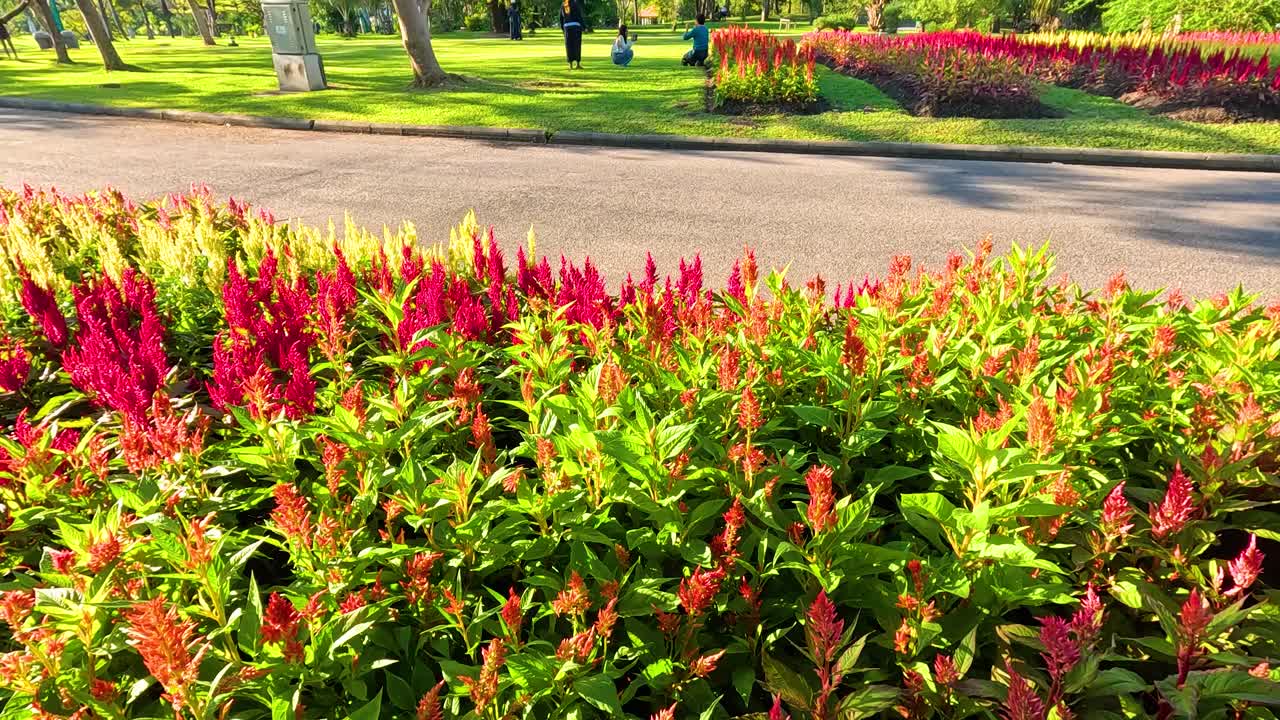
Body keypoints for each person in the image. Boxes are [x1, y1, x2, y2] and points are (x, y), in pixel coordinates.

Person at [560, 0, 585, 69]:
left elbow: (561, 17)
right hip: (576, 26)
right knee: (577, 45)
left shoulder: (564, 4)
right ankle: (577, 64)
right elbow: (579, 16)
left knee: (569, 46)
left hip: (567, 27)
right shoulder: (576, 3)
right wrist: (583, 26)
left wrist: (562, 28)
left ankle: (570, 64)